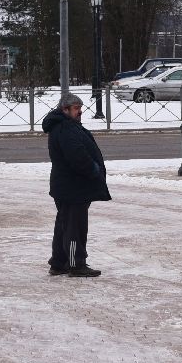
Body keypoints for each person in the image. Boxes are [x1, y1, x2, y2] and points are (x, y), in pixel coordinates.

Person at [42, 93, 110, 277]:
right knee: (74, 227)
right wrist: (93, 170)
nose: (80, 112)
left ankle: (59, 262)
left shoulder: (66, 126)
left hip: (68, 186)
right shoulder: (65, 128)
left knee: (65, 225)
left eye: (80, 108)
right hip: (73, 187)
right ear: (65, 110)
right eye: (76, 108)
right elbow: (77, 156)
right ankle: (75, 264)